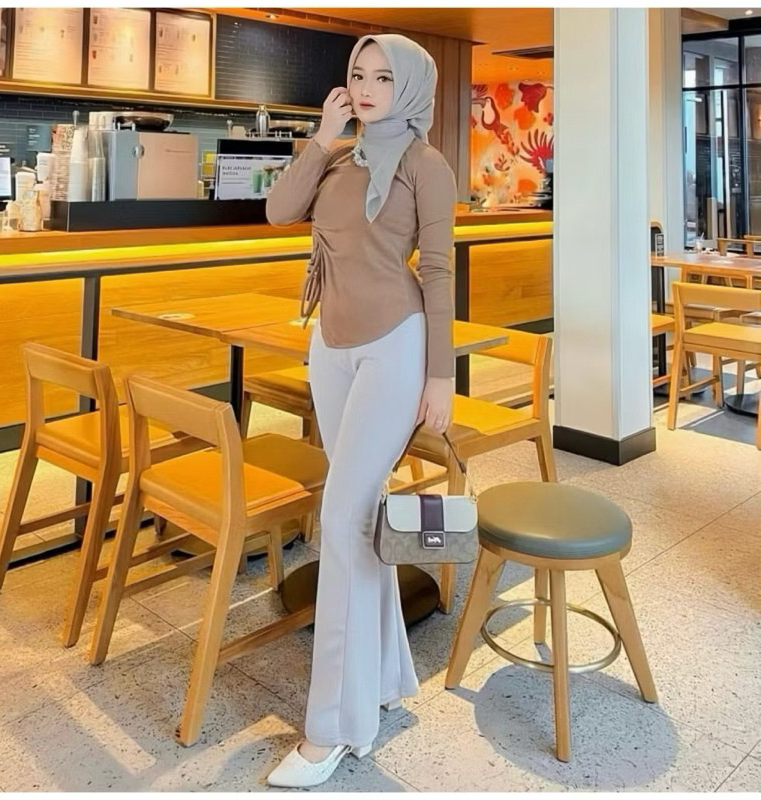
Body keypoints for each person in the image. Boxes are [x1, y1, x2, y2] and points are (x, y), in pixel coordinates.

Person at [264, 33, 457, 789]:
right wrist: (320, 137)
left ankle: (332, 729)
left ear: (409, 86)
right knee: (361, 515)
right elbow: (280, 210)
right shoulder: (339, 159)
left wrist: (439, 375)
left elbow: (437, 271)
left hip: (395, 347)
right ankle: (380, 678)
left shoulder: (425, 165)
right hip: (331, 345)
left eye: (383, 76)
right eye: (358, 74)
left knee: (343, 518)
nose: (369, 87)